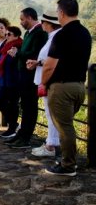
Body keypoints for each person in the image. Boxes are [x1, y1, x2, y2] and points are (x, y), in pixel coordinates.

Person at [42, 0, 92, 176]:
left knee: (65, 128)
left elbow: (49, 65)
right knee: (67, 125)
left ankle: (68, 165)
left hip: (62, 87)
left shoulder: (62, 34)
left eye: (57, 12)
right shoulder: (85, 33)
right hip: (79, 86)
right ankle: (68, 159)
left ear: (62, 13)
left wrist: (43, 82)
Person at [5, 7, 48, 148]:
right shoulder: (29, 33)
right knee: (25, 105)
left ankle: (26, 137)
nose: (21, 22)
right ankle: (22, 133)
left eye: (22, 19)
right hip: (23, 75)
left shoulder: (40, 33)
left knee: (30, 106)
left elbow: (35, 54)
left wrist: (17, 54)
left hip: (31, 76)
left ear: (29, 18)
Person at [26, 12, 61, 157]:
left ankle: (51, 146)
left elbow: (52, 60)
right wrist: (37, 63)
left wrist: (38, 63)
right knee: (50, 113)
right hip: (45, 79)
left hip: (49, 81)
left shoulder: (56, 37)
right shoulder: (52, 37)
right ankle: (50, 143)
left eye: (43, 22)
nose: (42, 24)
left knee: (51, 114)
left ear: (49, 24)